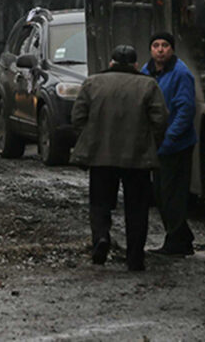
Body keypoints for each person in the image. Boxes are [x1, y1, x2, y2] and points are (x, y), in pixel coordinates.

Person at [70, 44, 168, 271]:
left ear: (111, 63)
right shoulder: (148, 84)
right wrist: (150, 143)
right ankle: (135, 258)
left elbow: (77, 118)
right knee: (137, 208)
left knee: (100, 203)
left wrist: (92, 139)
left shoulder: (93, 83)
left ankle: (102, 237)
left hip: (101, 156)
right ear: (136, 65)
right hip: (137, 157)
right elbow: (160, 120)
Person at [143, 31, 197, 257]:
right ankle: (182, 237)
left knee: (171, 194)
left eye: (165, 45)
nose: (160, 49)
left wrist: (171, 137)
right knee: (161, 193)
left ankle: (176, 241)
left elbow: (185, 109)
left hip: (176, 145)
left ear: (172, 49)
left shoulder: (180, 73)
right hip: (158, 144)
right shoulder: (146, 72)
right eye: (156, 45)